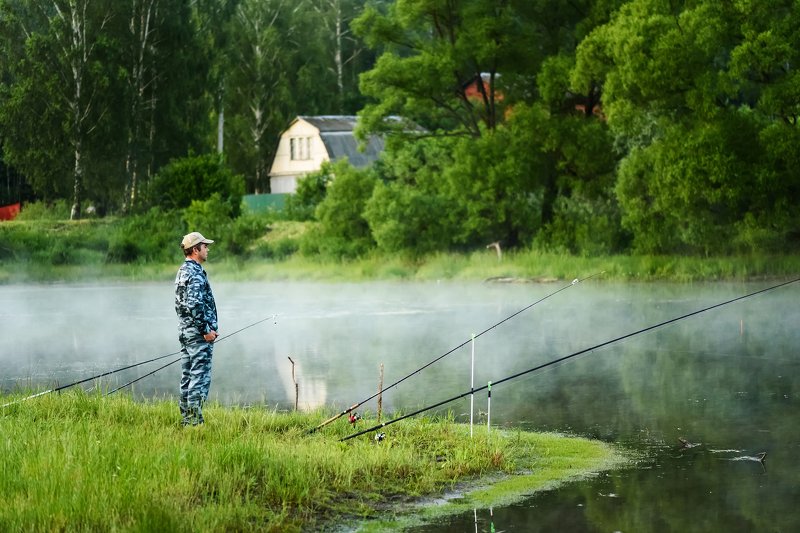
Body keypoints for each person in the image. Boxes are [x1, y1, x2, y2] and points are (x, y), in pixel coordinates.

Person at [175, 231, 219, 426]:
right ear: (195, 249)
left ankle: (187, 420)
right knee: (199, 378)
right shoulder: (194, 273)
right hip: (198, 335)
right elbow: (194, 304)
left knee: (187, 376)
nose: (207, 249)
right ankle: (194, 423)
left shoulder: (183, 271)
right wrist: (205, 331)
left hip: (186, 333)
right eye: (204, 246)